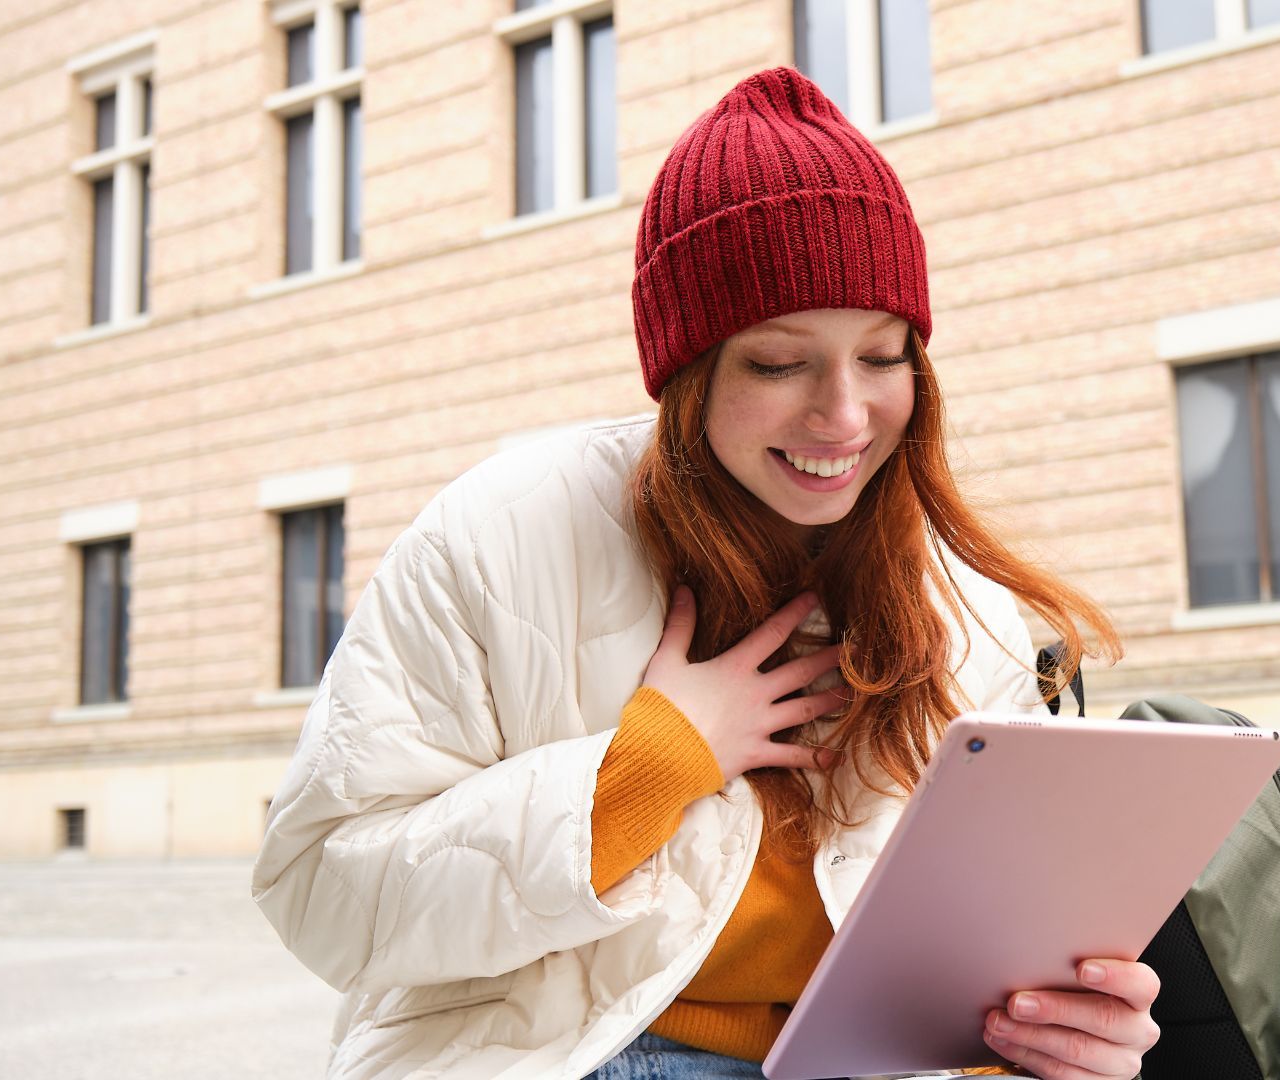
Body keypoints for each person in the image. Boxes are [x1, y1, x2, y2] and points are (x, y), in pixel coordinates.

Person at [254, 66, 1154, 1080]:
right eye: (779, 363)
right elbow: (321, 895)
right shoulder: (498, 536)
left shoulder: (964, 605)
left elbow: (988, 956)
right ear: (690, 370)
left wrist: (1046, 1040)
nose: (846, 416)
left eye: (884, 356)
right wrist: (649, 767)